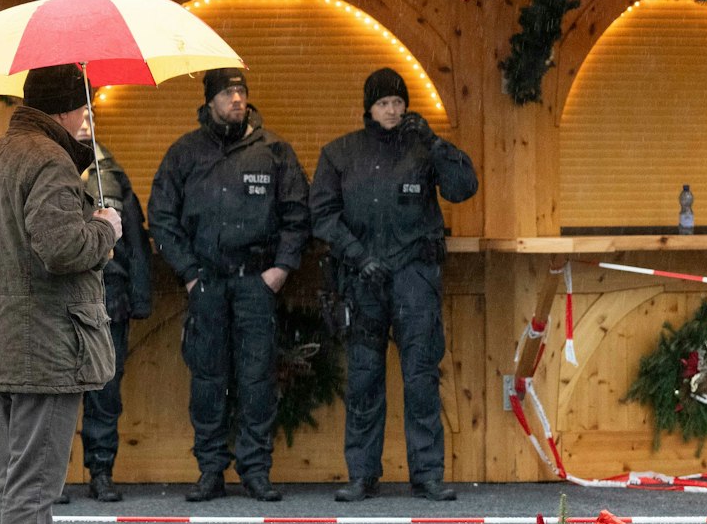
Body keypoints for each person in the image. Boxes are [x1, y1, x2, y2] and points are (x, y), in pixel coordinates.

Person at [0, 64, 122, 524]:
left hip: (6, 344)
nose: (88, 120)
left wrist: (9, 306)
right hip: (48, 349)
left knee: (15, 481)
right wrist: (105, 228)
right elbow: (62, 247)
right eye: (84, 109)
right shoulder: (49, 162)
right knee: (35, 485)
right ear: (61, 110)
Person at [310, 67, 477, 502]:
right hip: (362, 280)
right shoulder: (341, 153)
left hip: (415, 279)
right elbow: (323, 215)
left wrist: (437, 144)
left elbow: (464, 188)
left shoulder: (422, 148)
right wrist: (358, 256)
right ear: (369, 107)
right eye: (384, 103)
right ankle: (362, 475)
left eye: (398, 103)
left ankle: (427, 475)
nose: (392, 110)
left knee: (421, 378)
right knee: (364, 380)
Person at [150, 67, 309, 502]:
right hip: (206, 285)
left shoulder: (273, 151)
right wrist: (188, 271)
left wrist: (279, 270)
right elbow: (161, 216)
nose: (236, 100)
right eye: (227, 93)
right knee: (207, 380)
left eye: (241, 92)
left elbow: (298, 215)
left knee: (258, 380)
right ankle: (211, 470)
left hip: (256, 285)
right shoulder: (185, 154)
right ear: (210, 102)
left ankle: (256, 470)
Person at [58, 145, 151, 504]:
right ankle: (54, 478)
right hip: (61, 293)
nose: (83, 122)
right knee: (57, 393)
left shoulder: (112, 174)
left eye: (89, 112)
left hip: (110, 295)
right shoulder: (45, 170)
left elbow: (136, 241)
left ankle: (101, 473)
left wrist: (140, 297)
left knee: (105, 393)